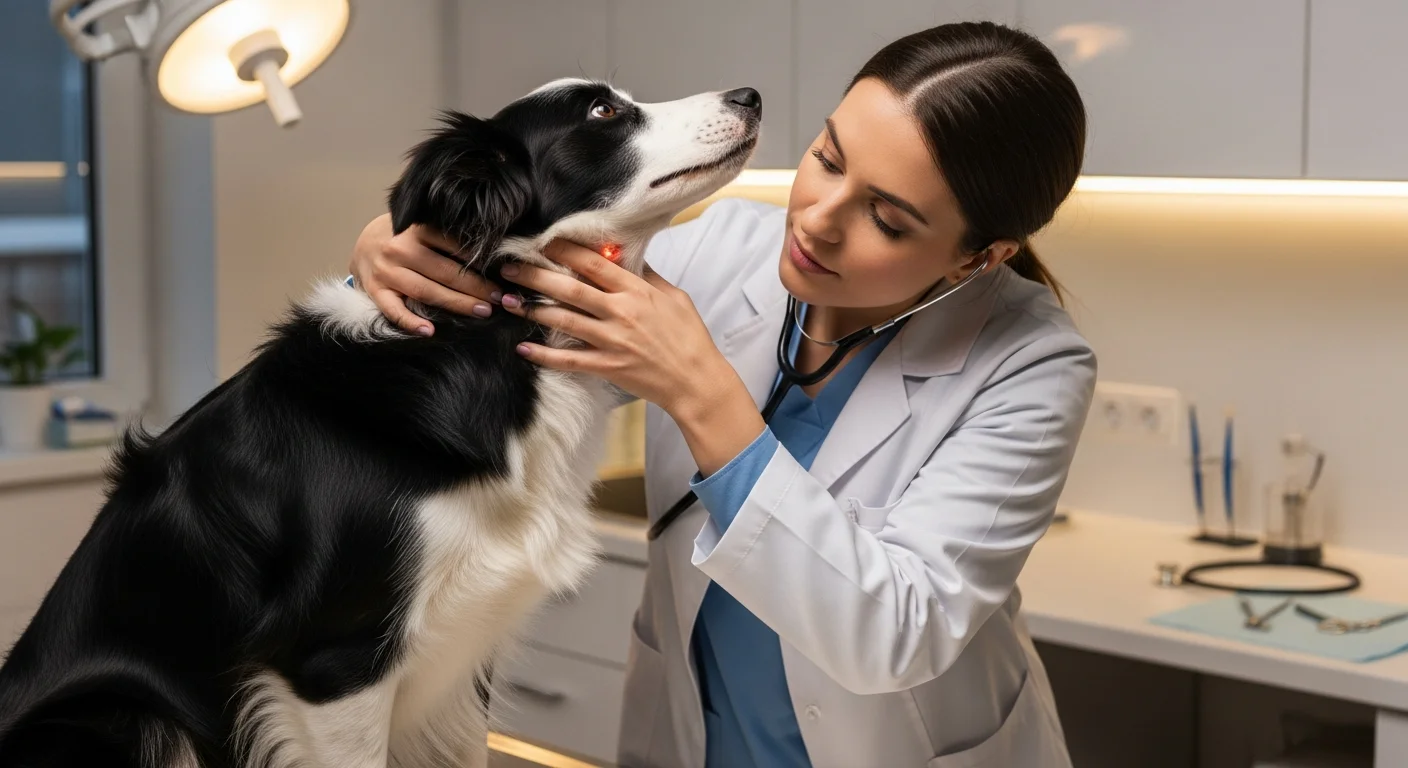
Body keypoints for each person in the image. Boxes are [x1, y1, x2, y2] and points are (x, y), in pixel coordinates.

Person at [350, 20, 1095, 768]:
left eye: (885, 218)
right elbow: (499, 303)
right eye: (827, 158)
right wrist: (392, 248)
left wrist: (698, 386)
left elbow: (897, 634)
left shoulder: (1032, 365)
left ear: (979, 257)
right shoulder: (725, 246)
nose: (817, 218)